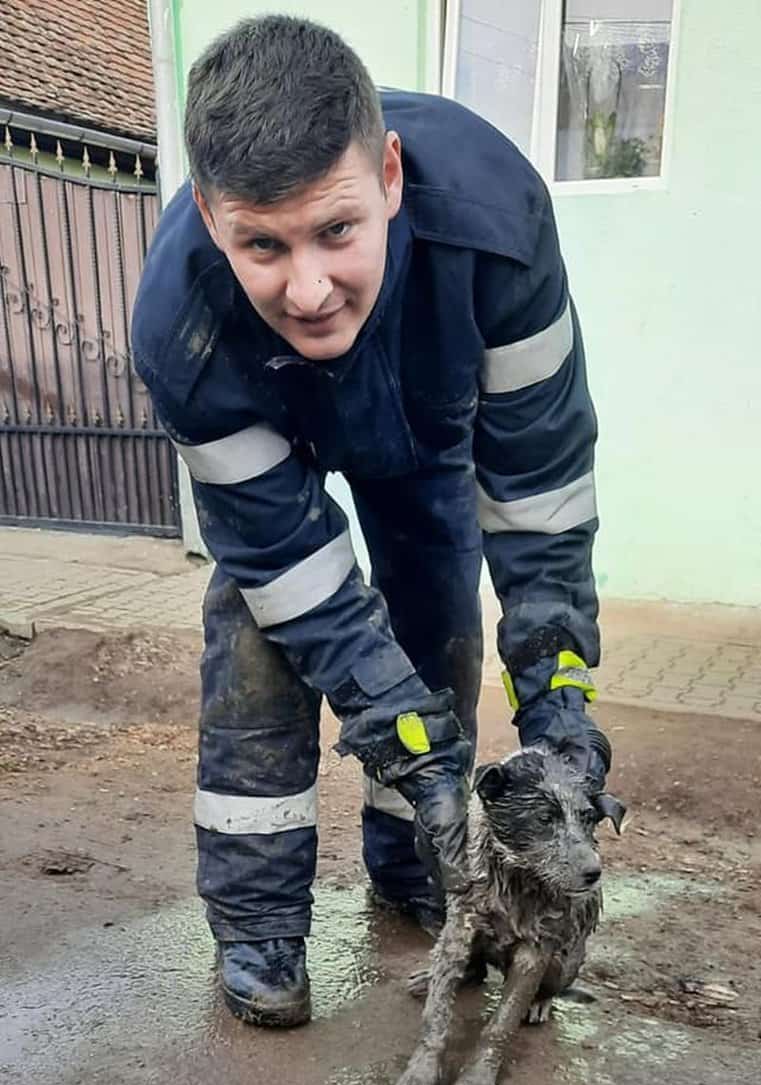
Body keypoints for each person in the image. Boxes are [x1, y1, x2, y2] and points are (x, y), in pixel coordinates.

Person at [131, 14, 612, 1029]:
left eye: (336, 231)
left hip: (427, 430)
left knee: (433, 618)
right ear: (213, 220)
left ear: (389, 176)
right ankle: (258, 922)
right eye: (262, 243)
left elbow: (539, 495)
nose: (307, 288)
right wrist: (423, 755)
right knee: (266, 632)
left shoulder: (497, 220)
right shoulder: (180, 322)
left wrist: (559, 709)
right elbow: (288, 563)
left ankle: (413, 860)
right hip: (277, 435)